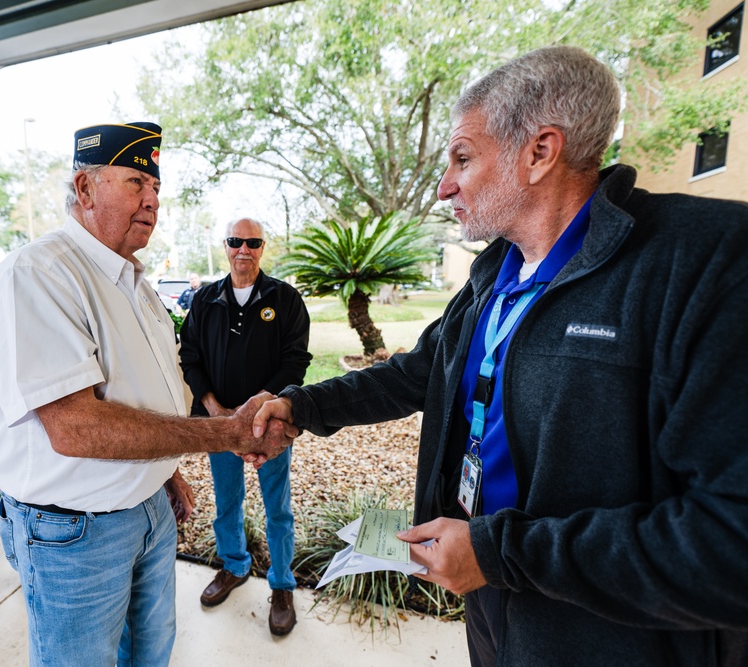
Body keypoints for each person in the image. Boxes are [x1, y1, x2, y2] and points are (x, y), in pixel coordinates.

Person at [251, 46, 748, 666]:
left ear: (540, 152)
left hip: (615, 640)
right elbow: (420, 372)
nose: (443, 186)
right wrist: (300, 407)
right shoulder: (495, 273)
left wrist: (500, 551)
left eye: (462, 157)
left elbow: (729, 540)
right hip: (494, 605)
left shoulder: (704, 263)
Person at [0, 121, 296, 667]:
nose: (152, 202)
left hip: (146, 511)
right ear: (85, 189)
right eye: (135, 184)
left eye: (156, 189)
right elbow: (76, 426)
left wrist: (166, 468)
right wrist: (222, 431)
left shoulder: (135, 283)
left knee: (150, 654)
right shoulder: (43, 273)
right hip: (75, 531)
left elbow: (146, 392)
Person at [179, 218, 310, 635]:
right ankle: (233, 566)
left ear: (262, 247)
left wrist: (261, 405)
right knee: (227, 501)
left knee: (278, 508)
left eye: (252, 242)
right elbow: (191, 358)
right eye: (236, 241)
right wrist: (215, 409)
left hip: (268, 425)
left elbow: (296, 361)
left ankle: (283, 584)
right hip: (219, 425)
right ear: (226, 246)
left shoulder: (285, 299)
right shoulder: (204, 300)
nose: (244, 249)